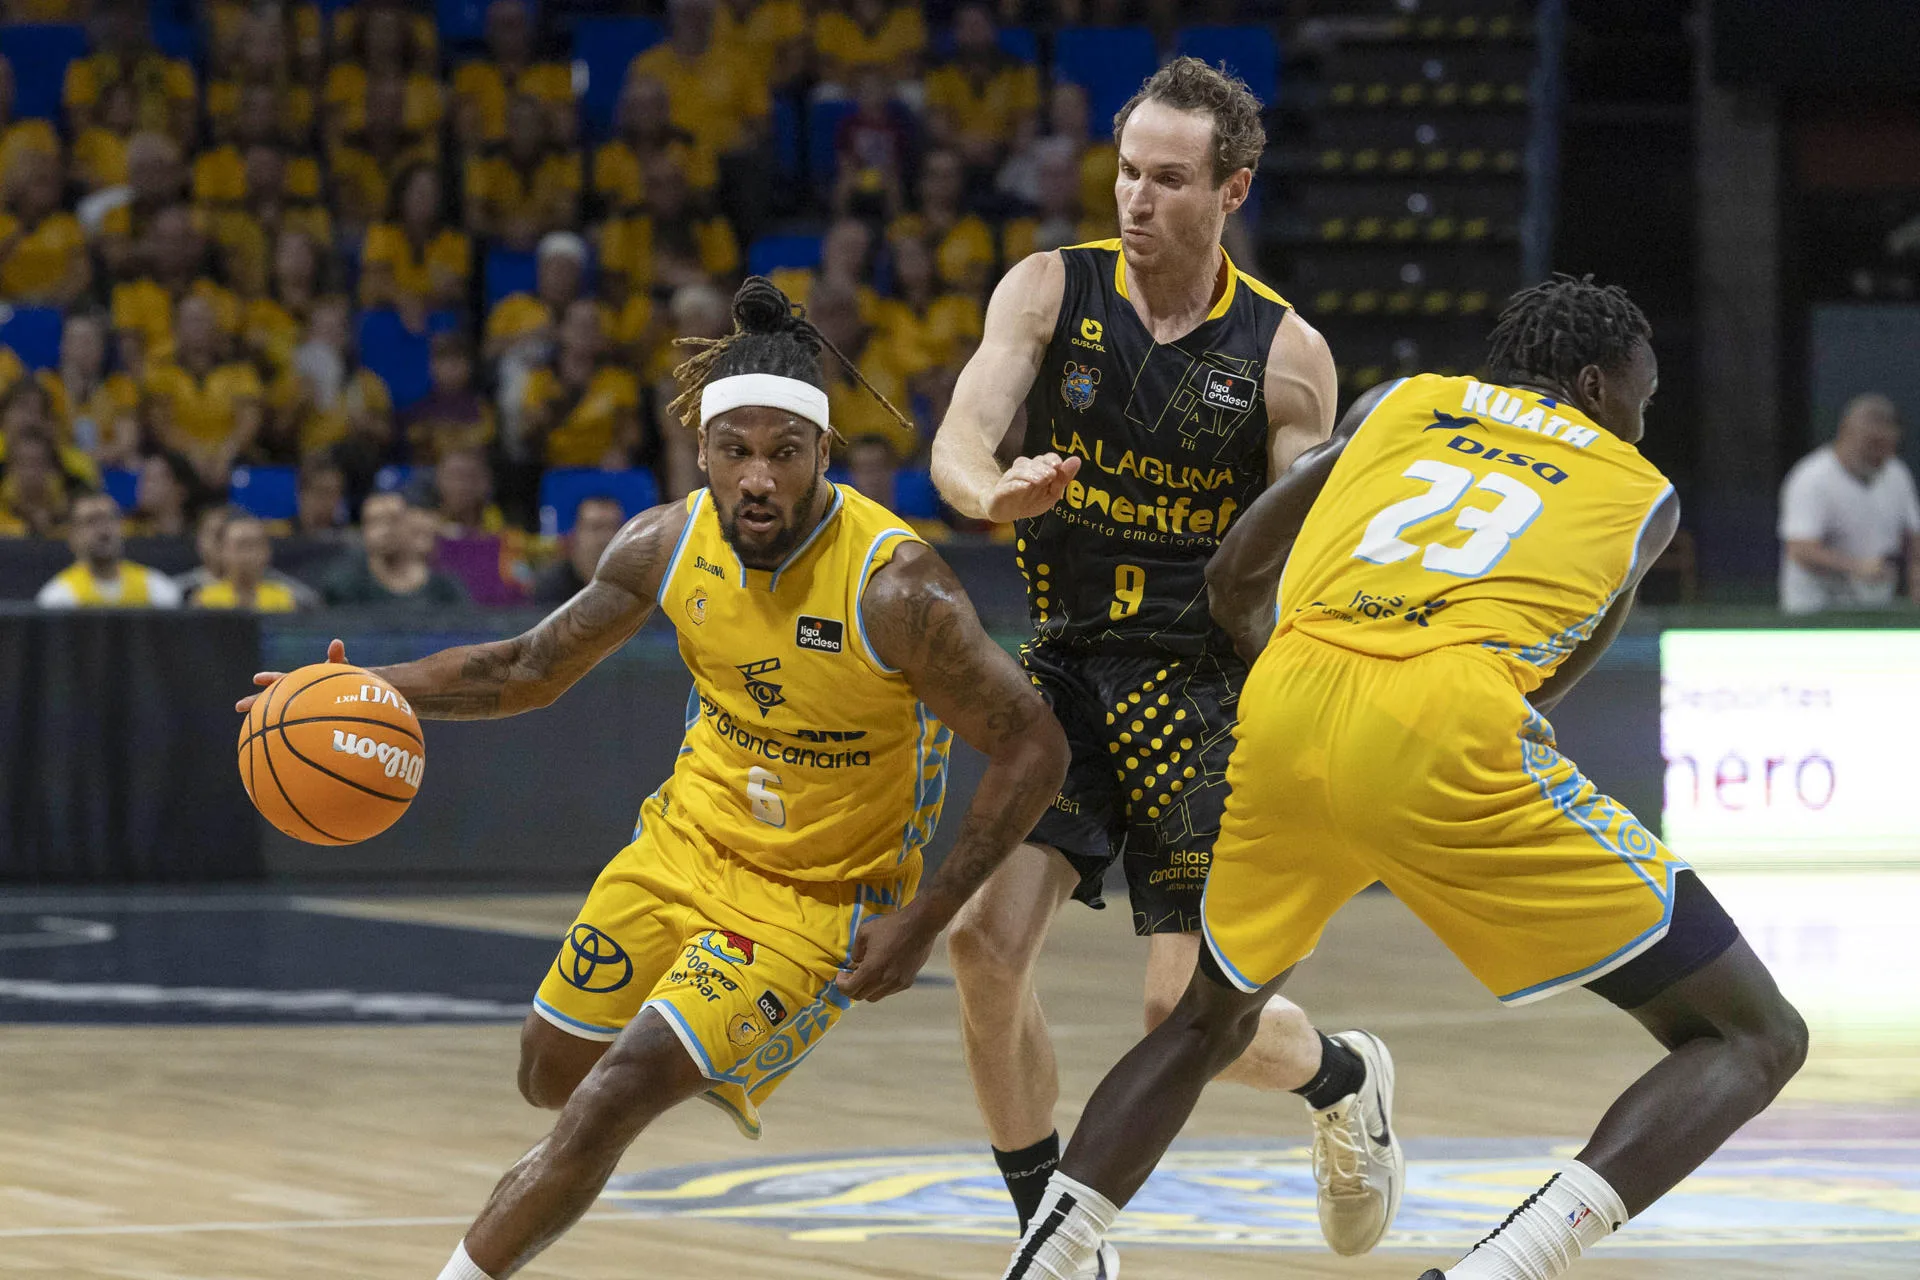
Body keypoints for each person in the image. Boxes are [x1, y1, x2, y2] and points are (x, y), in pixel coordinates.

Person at [236, 277, 1070, 1280]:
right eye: (735, 451)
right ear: (701, 453)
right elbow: (524, 668)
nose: (757, 477)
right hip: (679, 846)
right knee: (550, 1076)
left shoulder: (897, 589)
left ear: (822, 456)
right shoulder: (666, 544)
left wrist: (929, 915)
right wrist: (357, 685)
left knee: (611, 1096)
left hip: (812, 903)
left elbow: (1034, 745)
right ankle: (590, 1137)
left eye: (783, 452)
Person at [1001, 276, 1812, 1280]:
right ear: (1599, 386)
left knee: (1208, 1016)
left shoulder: (1398, 401)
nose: (1639, 428)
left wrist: (1299, 669)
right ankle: (1495, 1269)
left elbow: (1231, 573)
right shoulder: (1641, 492)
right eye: (1639, 406)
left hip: (1290, 696)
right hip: (1444, 719)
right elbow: (1549, 674)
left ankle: (1042, 1264)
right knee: (1757, 1032)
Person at [928, 58, 1400, 1269]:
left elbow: (1304, 552)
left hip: (1212, 694)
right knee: (983, 946)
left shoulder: (1288, 356)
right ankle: (1053, 1226)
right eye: (1128, 170)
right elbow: (962, 436)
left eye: (1169, 179)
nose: (1137, 199)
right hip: (1072, 673)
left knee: (1179, 1013)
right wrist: (997, 491)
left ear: (1231, 190)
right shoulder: (1048, 289)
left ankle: (1345, 1076)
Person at [1777, 392, 1920, 614]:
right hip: (1815, 612)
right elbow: (1800, 549)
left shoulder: (1896, 474)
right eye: (1872, 444)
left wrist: (1915, 573)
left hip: (1875, 609)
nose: (1878, 455)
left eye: (1886, 446)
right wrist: (1857, 567)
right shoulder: (1812, 478)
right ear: (1846, 433)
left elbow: (1913, 536)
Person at [320, 490, 469, 607]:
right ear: (363, 531)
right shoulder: (344, 587)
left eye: (393, 520)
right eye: (374, 522)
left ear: (411, 525)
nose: (385, 530)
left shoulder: (444, 589)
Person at [36, 492, 183, 607]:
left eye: (109, 519)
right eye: (91, 521)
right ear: (73, 536)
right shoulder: (59, 598)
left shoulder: (156, 589)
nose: (103, 529)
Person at [192, 510, 304, 611]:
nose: (249, 555)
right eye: (241, 546)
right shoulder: (205, 601)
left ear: (267, 551)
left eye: (255, 545)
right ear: (222, 551)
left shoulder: (284, 599)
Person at [531, 493, 624, 605]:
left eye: (612, 527)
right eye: (595, 527)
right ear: (576, 533)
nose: (605, 538)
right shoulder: (551, 585)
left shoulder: (635, 582)